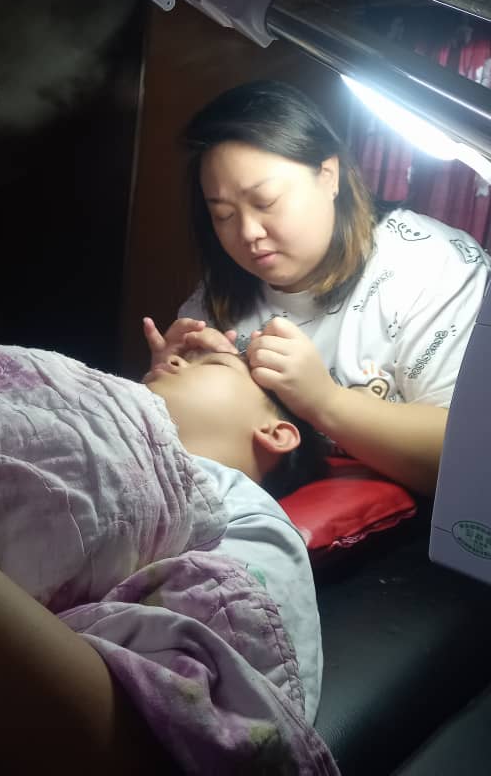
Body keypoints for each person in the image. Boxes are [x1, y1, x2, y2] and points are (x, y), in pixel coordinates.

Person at [0, 333, 334, 775]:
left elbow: (175, 743)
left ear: (276, 432)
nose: (170, 363)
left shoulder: (247, 518)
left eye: (212, 364)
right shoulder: (81, 406)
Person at [144, 80, 490, 497]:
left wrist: (325, 402)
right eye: (223, 215)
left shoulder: (433, 268)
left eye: (265, 202)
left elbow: (475, 459)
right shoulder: (219, 294)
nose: (248, 232)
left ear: (329, 175)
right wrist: (162, 393)